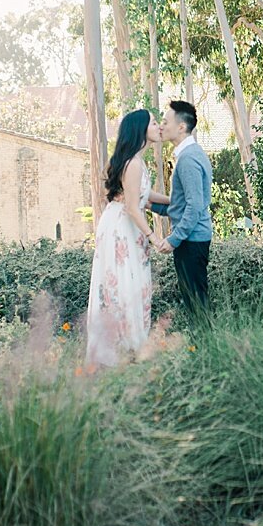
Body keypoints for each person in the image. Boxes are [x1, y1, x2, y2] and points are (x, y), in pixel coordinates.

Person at [85, 109, 168, 367]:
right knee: (124, 284)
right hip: (123, 228)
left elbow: (144, 195)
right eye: (154, 123)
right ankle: (124, 348)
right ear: (141, 129)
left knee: (131, 283)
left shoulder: (135, 162)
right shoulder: (133, 163)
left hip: (124, 225)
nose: (158, 127)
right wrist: (154, 237)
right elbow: (133, 207)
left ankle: (130, 346)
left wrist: (175, 201)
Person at [149, 100, 214, 324]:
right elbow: (181, 205)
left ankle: (206, 351)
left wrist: (174, 239)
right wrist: (150, 205)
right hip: (192, 238)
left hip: (191, 240)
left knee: (196, 304)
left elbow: (195, 206)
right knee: (195, 302)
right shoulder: (190, 155)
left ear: (181, 127)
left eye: (166, 122)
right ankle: (203, 349)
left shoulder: (188, 159)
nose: (162, 126)